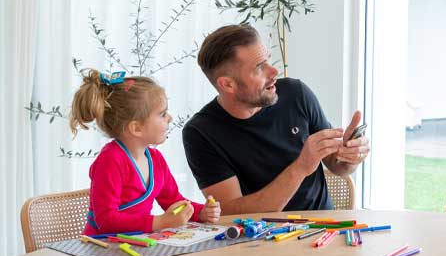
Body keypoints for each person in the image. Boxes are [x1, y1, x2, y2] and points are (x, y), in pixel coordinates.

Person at [182, 24, 369, 214]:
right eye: (259, 67)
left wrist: (350, 156)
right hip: (261, 232)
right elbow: (231, 212)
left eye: (268, 61)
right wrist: (300, 167)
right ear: (228, 84)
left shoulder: (296, 93)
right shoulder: (200, 133)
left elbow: (338, 166)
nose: (274, 72)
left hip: (323, 226)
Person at [69, 70, 222, 235]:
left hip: (136, 243)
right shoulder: (110, 160)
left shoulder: (156, 159)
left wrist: (200, 212)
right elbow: (106, 220)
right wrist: (159, 222)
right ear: (136, 128)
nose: (170, 118)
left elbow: (173, 201)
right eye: (162, 114)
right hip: (101, 245)